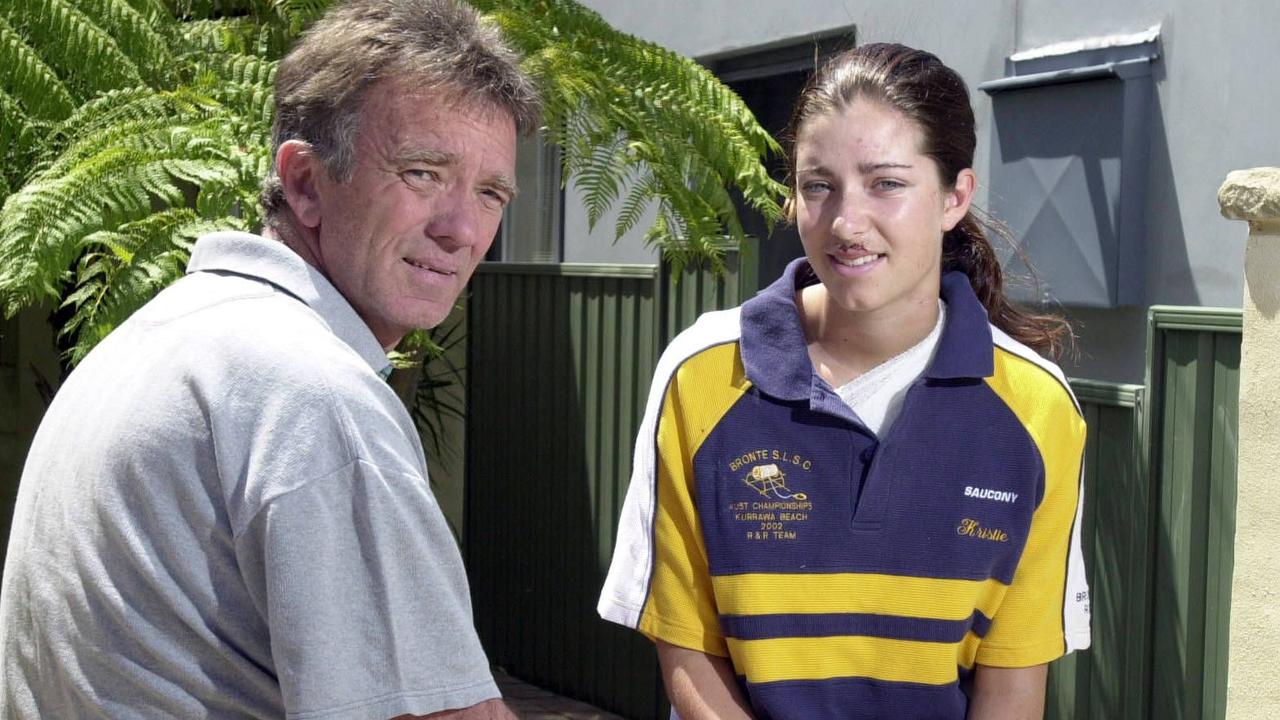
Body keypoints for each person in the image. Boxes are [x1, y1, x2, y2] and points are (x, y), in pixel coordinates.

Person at [0, 0, 538, 717]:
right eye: (422, 173)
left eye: (491, 193)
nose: (462, 230)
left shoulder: (162, 334)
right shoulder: (311, 392)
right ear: (306, 182)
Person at [598, 43, 1090, 720]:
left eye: (886, 183)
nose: (846, 223)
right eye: (818, 185)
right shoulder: (703, 373)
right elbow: (685, 645)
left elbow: (1013, 684)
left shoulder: (1037, 409)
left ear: (955, 197)